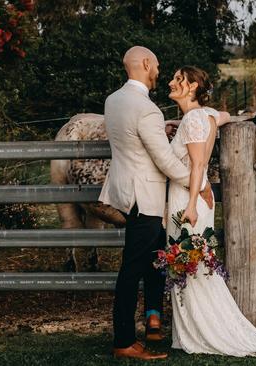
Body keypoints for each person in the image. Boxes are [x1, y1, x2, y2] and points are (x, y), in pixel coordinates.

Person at [165, 66, 256, 357]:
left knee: (188, 264)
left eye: (178, 79)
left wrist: (190, 204)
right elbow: (224, 117)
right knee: (198, 265)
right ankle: (194, 330)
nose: (171, 82)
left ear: (191, 87)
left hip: (187, 198)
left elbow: (198, 165)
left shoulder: (193, 120)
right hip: (200, 198)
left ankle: (200, 333)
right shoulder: (208, 115)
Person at [98, 46, 218, 360]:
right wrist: (201, 184)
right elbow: (164, 160)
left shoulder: (113, 101)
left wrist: (163, 132)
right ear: (147, 64)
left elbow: (134, 142)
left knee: (149, 263)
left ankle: (151, 323)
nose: (160, 73)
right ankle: (124, 340)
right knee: (132, 269)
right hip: (147, 198)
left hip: (126, 194)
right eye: (158, 67)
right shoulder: (147, 109)